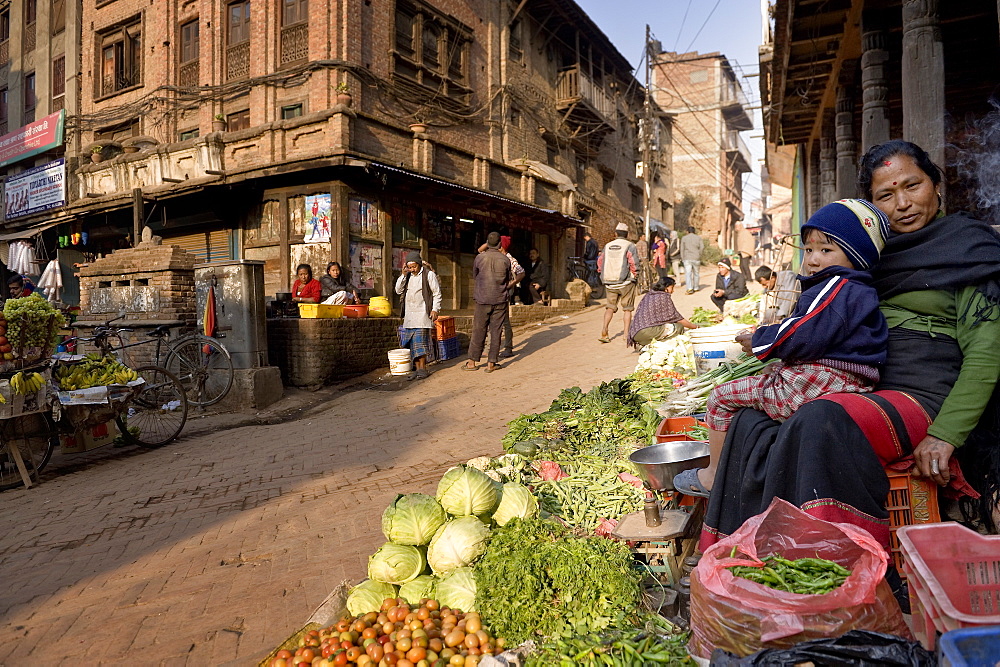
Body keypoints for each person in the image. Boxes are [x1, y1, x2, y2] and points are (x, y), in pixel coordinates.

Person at [700, 141, 1000, 593]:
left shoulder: (968, 250)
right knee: (751, 417)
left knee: (822, 419)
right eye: (885, 194)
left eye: (912, 185)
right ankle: (758, 560)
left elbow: (985, 352)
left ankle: (843, 570)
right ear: (872, 206)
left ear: (935, 185)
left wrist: (945, 435)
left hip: (923, 394)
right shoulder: (867, 254)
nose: (902, 203)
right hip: (865, 385)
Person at [674, 199, 890, 497]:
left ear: (857, 256)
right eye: (810, 249)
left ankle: (712, 476)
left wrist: (761, 339)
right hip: (847, 381)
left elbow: (805, 331)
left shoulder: (835, 286)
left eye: (826, 250)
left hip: (818, 381)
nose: (813, 260)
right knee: (771, 371)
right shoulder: (859, 290)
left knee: (720, 397)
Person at [465, 232, 515, 373]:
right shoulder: (506, 260)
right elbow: (508, 279)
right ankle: (491, 363)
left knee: (478, 330)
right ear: (500, 244)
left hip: (482, 299)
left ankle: (471, 362)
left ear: (487, 242)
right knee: (496, 331)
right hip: (499, 299)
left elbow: (475, 275)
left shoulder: (479, 258)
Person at [394, 252, 442, 379]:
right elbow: (398, 290)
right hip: (409, 316)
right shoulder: (407, 276)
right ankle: (416, 369)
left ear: (419, 264)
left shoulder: (429, 275)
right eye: (410, 267)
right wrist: (403, 275)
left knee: (420, 343)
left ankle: (423, 369)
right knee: (411, 344)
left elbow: (437, 293)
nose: (412, 269)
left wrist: (435, 309)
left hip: (422, 314)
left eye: (414, 266)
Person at [478, 236, 525, 358]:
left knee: (504, 322)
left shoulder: (509, 259)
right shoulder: (492, 255)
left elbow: (521, 272)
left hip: (504, 293)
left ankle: (508, 348)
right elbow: (480, 250)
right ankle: (489, 348)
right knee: (491, 320)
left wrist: (511, 284)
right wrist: (491, 242)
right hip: (492, 292)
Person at [627, 276, 698, 349]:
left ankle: (644, 343)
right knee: (678, 327)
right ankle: (653, 345)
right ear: (666, 287)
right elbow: (677, 318)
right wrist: (695, 327)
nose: (673, 291)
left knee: (668, 325)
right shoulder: (664, 297)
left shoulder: (649, 294)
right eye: (672, 288)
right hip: (646, 332)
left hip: (635, 333)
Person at [597, 222, 639, 343]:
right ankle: (626, 335)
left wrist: (602, 274)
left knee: (609, 308)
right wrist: (635, 276)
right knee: (627, 309)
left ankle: (604, 331)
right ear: (627, 234)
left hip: (610, 282)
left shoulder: (608, 245)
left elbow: (600, 261)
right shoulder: (629, 245)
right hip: (626, 283)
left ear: (615, 234)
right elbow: (633, 263)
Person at [679, 226, 703, 294]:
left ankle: (689, 288)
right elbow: (702, 247)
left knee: (688, 274)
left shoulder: (684, 238)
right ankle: (696, 287)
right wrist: (699, 255)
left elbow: (682, 249)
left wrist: (682, 257)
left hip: (687, 257)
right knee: (696, 273)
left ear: (687, 231)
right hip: (696, 258)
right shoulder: (698, 238)